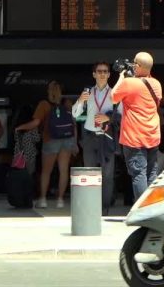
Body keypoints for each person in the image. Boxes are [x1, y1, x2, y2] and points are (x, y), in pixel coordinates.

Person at [15, 80, 76, 209]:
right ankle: (60, 200)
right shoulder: (68, 103)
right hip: (67, 139)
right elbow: (73, 124)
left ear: (49, 90)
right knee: (63, 171)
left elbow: (36, 123)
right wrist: (75, 142)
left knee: (46, 172)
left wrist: (20, 127)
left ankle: (42, 199)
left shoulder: (44, 104)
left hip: (51, 139)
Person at [111, 52, 162, 202]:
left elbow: (113, 97)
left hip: (134, 137)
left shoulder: (129, 83)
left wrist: (121, 77)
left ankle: (142, 211)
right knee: (152, 174)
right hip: (152, 135)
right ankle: (152, 208)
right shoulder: (157, 84)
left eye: (134, 63)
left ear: (138, 66)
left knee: (138, 173)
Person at [72, 61, 121, 214]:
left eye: (105, 71)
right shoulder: (88, 93)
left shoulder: (114, 93)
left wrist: (108, 119)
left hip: (107, 136)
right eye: (99, 71)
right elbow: (75, 114)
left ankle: (104, 208)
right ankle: (90, 208)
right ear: (94, 74)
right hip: (90, 135)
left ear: (109, 74)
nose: (102, 74)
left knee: (107, 175)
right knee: (89, 173)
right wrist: (81, 100)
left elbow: (123, 115)